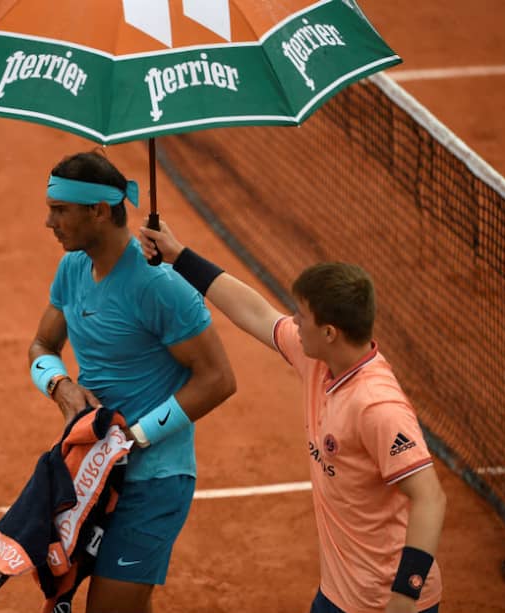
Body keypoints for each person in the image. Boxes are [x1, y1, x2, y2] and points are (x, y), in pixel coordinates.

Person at [138, 221, 447, 613]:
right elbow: (256, 312)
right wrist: (179, 256)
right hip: (339, 593)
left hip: (383, 601)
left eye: (302, 317)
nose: (294, 322)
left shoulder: (377, 407)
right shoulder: (319, 360)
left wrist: (405, 595)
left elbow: (431, 498)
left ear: (330, 332)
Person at [28, 150, 237, 613]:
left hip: (155, 478)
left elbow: (218, 379)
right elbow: (42, 345)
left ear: (98, 212)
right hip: (92, 471)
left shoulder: (160, 286)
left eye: (60, 210)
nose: (49, 222)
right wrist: (61, 386)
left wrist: (136, 436)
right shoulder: (73, 268)